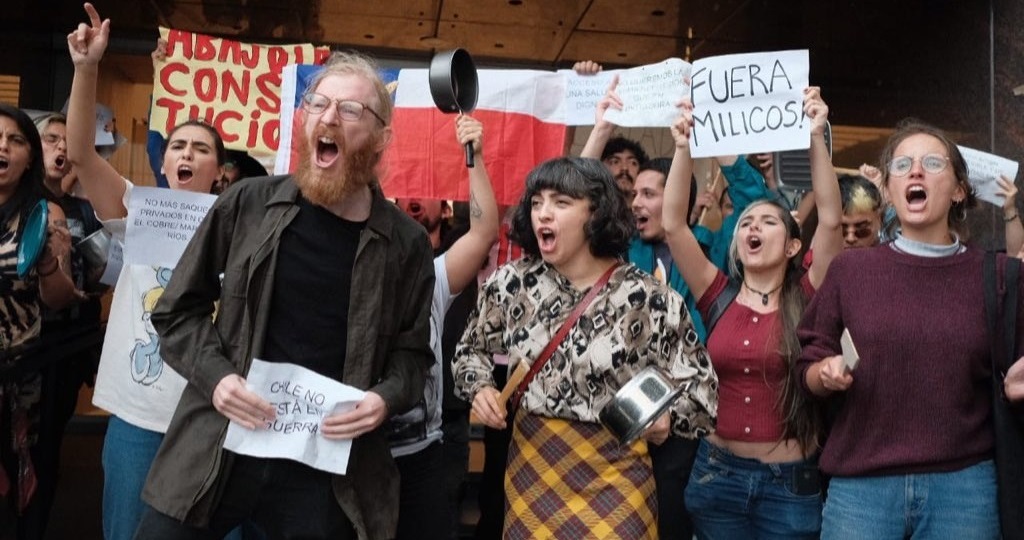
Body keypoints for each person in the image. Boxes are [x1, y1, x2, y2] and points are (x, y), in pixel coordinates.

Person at [131, 41, 433, 540]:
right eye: (318, 103)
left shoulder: (406, 243)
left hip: (323, 469)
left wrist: (384, 399)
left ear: (381, 139)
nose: (329, 117)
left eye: (351, 108)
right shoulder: (248, 204)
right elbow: (176, 313)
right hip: (218, 444)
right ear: (303, 119)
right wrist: (219, 379)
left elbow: (412, 357)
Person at [453, 156, 718, 540]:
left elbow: (702, 392)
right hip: (533, 473)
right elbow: (469, 352)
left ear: (596, 213)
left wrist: (667, 418)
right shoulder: (511, 284)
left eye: (561, 202)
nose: (544, 213)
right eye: (537, 201)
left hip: (618, 477)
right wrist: (480, 389)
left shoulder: (648, 297)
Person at [798, 118, 1024, 539]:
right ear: (887, 189)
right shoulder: (851, 271)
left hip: (963, 491)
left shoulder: (997, 277)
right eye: (901, 166)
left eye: (932, 162)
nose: (915, 172)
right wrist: (823, 374)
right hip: (860, 493)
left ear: (959, 189)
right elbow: (808, 364)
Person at [65, 5, 234, 539]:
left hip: (211, 419)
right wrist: (87, 68)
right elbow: (79, 152)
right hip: (138, 417)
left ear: (220, 173)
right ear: (165, 163)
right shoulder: (135, 208)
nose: (187, 152)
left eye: (201, 148)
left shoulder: (242, 226)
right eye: (178, 145)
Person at [663, 87, 843, 539]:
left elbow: (832, 218)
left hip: (789, 486)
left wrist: (816, 135)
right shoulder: (715, 292)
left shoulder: (808, 293)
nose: (753, 227)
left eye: (767, 221)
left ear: (793, 245)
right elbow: (672, 225)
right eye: (745, 222)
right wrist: (684, 147)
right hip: (716, 476)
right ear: (738, 245)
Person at [390, 114, 498, 540]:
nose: (413, 199)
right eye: (404, 192)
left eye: (424, 192)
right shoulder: (350, 275)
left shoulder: (434, 277)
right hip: (362, 452)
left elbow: (485, 229)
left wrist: (475, 158)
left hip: (427, 453)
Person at [0, 103, 78, 537]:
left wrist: (49, 262)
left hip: (18, 377)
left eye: (15, 139)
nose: (3, 146)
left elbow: (60, 298)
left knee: (14, 497)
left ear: (29, 155)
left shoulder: (45, 215)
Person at [575, 60, 649, 203]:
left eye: (633, 163)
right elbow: (579, 184)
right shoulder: (592, 215)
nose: (624, 169)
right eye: (615, 161)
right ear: (600, 167)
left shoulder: (650, 221)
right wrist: (603, 129)